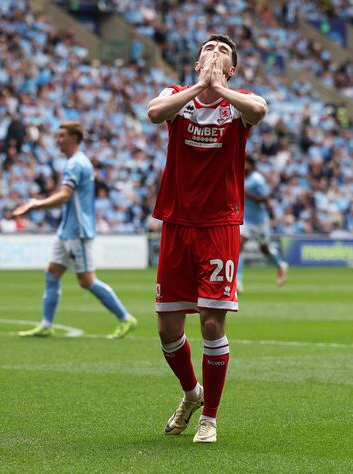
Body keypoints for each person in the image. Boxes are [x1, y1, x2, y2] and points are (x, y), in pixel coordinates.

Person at [146, 34, 267, 443]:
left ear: (232, 69)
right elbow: (154, 112)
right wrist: (202, 87)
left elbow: (259, 110)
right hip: (177, 222)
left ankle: (209, 418)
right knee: (167, 329)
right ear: (197, 63)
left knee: (212, 323)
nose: (215, 54)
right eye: (209, 51)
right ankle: (191, 393)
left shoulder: (239, 105)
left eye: (223, 52)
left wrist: (220, 88)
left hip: (219, 225)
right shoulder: (177, 96)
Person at [13, 122, 138, 339]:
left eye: (62, 136)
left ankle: (126, 318)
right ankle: (46, 324)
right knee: (52, 273)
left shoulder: (76, 164)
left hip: (78, 231)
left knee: (87, 281)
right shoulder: (76, 162)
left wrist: (35, 205)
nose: (57, 139)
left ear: (74, 138)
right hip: (67, 229)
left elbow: (64, 196)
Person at [236, 155, 288, 292]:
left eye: (246, 163)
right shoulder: (241, 177)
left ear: (251, 165)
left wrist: (247, 194)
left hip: (259, 221)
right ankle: (237, 281)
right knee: (238, 247)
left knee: (265, 249)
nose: (243, 166)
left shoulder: (257, 179)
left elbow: (265, 198)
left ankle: (280, 265)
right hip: (245, 220)